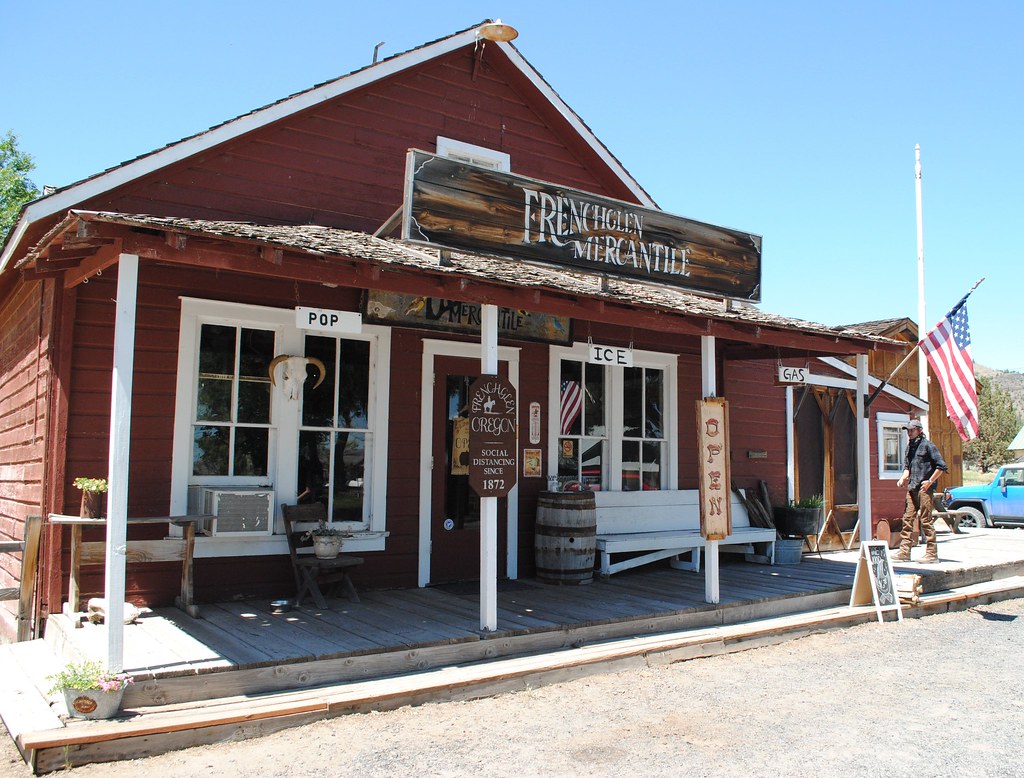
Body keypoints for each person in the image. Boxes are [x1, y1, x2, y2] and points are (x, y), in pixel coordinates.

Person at [894, 419, 948, 563]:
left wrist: (930, 481)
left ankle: (931, 554)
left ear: (919, 430)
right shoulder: (909, 448)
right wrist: (903, 478)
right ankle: (904, 552)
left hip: (925, 489)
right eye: (908, 430)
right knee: (907, 519)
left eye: (912, 430)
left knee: (925, 520)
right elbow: (908, 468)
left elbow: (941, 466)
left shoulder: (928, 446)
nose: (909, 433)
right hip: (912, 487)